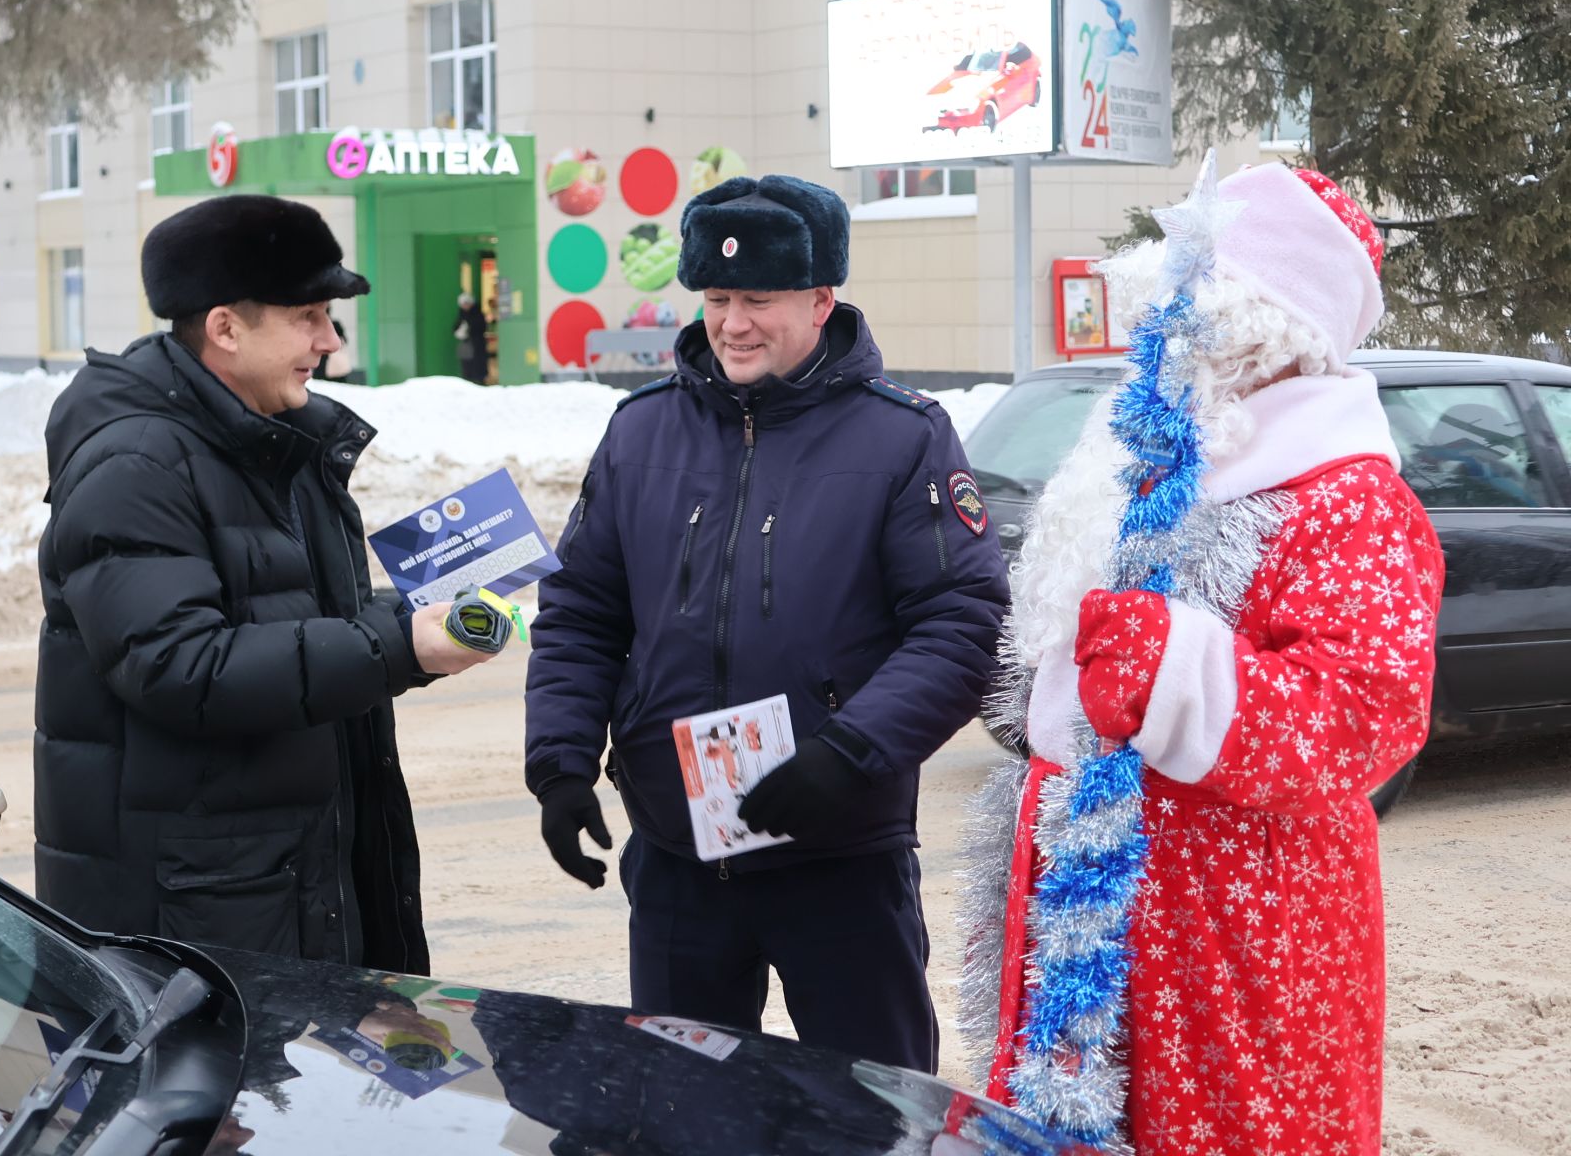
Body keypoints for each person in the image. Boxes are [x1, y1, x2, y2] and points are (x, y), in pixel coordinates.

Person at [950, 163, 1444, 1155]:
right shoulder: (1147, 463)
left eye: (1194, 306)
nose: (1166, 331)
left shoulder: (1349, 498)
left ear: (1274, 325)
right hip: (1095, 911)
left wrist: (1175, 667)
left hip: (1244, 937)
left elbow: (1362, 717)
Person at [524, 174, 1010, 1074]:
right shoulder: (640, 435)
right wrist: (558, 763)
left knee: (875, 1110)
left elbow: (960, 622)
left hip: (841, 857)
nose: (733, 322)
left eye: (759, 299)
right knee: (680, 1114)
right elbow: (581, 613)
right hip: (678, 858)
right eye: (716, 298)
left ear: (822, 300)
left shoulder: (903, 439)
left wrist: (850, 752)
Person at [34, 194, 499, 972]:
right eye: (309, 315)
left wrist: (416, 618)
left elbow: (296, 617)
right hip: (202, 911)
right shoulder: (136, 464)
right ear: (225, 328)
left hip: (279, 876)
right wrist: (395, 645)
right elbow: (183, 666)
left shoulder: (274, 436)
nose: (329, 340)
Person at [453, 291, 488, 384]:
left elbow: (482, 327)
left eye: (467, 303)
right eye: (463, 304)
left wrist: (469, 329)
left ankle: (480, 381)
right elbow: (455, 327)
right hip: (465, 344)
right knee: (466, 366)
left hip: (477, 343)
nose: (465, 306)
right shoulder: (461, 314)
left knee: (478, 365)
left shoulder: (478, 314)